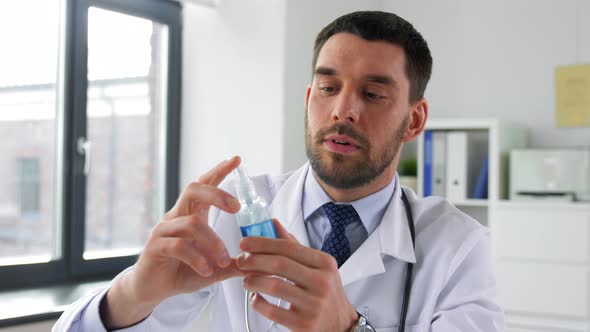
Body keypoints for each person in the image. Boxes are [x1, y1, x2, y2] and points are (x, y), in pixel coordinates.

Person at [54, 10, 505, 331]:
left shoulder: (458, 248)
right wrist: (136, 292)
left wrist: (348, 329)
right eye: (328, 88)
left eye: (372, 94)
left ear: (415, 120)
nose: (342, 111)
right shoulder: (232, 213)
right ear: (310, 99)